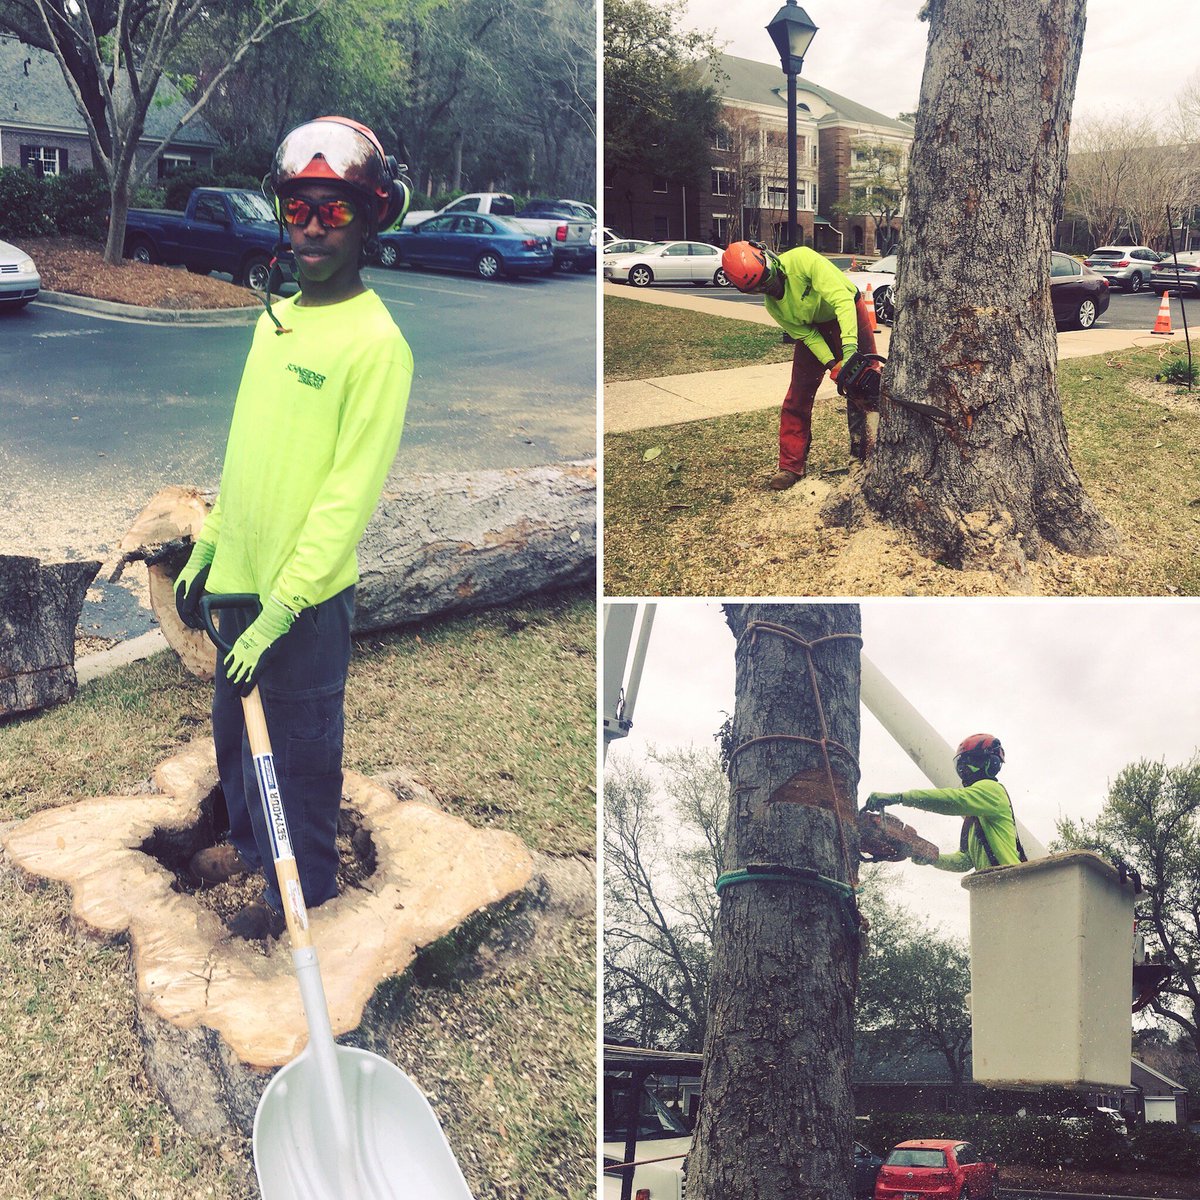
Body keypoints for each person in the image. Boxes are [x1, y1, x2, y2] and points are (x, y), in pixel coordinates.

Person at [172, 116, 413, 939]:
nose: (312, 227)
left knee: (299, 763)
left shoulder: (377, 345)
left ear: (371, 217)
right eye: (298, 208)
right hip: (240, 584)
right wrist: (210, 544)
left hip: (301, 607)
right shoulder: (273, 322)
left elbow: (346, 500)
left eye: (334, 210)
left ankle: (301, 898)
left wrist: (281, 608)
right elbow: (246, 451)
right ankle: (253, 856)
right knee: (238, 744)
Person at [720, 240, 881, 490]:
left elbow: (842, 300)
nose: (769, 287)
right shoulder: (774, 306)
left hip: (848, 310)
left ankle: (863, 457)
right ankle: (790, 465)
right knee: (798, 395)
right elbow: (809, 336)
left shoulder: (803, 260)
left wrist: (849, 350)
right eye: (759, 287)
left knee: (865, 385)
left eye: (767, 279)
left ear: (768, 258)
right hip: (814, 327)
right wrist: (832, 364)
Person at [864, 733, 1028, 873]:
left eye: (971, 761)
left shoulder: (993, 790)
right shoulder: (972, 819)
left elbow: (953, 800)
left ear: (990, 764)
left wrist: (900, 797)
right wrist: (933, 858)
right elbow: (964, 862)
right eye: (962, 764)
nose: (964, 769)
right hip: (992, 887)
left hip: (1012, 881)